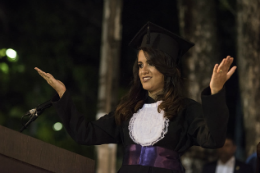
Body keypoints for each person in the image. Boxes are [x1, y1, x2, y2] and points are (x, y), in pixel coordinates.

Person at [35, 22, 237, 173]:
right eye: (140, 65)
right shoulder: (128, 110)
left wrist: (216, 92)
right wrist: (63, 94)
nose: (144, 71)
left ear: (167, 69)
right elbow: (84, 134)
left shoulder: (186, 109)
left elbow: (214, 139)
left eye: (151, 63)